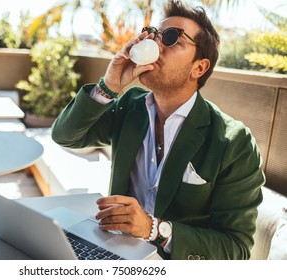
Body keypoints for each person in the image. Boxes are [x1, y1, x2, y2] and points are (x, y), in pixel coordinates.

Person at [51, 0, 265, 260]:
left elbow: (236, 248)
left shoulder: (233, 142)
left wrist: (155, 229)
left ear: (199, 67)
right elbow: (65, 136)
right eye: (154, 34)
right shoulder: (129, 108)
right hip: (115, 253)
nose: (156, 44)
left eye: (173, 38)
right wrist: (108, 86)